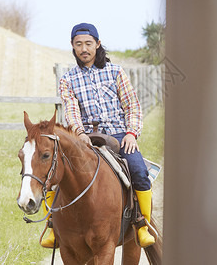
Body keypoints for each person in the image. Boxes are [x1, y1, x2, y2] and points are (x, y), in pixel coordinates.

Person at [39, 22, 155, 249]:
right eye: (78, 44)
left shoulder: (116, 72)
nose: (84, 48)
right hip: (85, 138)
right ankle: (52, 227)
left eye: (88, 44)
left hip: (119, 135)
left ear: (97, 44)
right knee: (53, 173)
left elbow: (132, 105)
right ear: (72, 46)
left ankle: (142, 225)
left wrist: (131, 134)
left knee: (139, 171)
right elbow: (71, 109)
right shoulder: (68, 79)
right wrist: (79, 133)